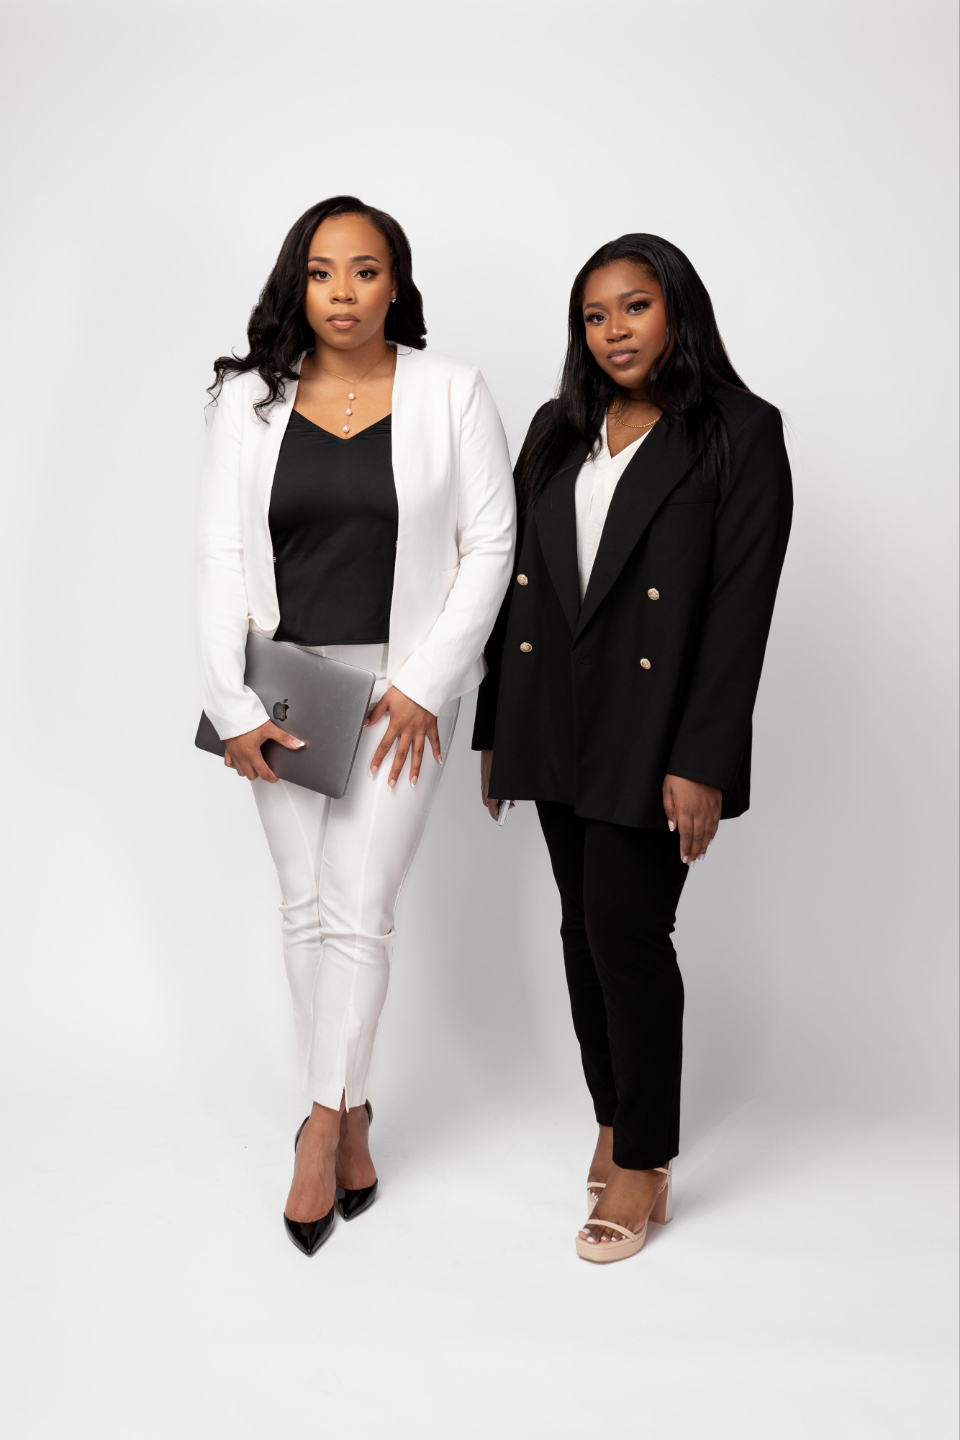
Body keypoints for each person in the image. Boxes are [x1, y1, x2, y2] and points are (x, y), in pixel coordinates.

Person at [198, 195, 515, 1255]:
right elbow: (220, 555)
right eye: (323, 271)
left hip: (397, 689)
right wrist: (232, 704)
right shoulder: (249, 400)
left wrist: (427, 683)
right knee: (303, 906)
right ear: (298, 282)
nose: (343, 292)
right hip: (284, 680)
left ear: (396, 284)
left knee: (359, 910)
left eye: (366, 270)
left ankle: (320, 1128)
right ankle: (351, 1110)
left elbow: (491, 543)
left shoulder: (452, 391)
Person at [473, 233, 792, 1263]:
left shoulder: (740, 430)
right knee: (582, 930)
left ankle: (645, 1156)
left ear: (677, 309)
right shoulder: (559, 429)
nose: (614, 330)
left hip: (654, 732)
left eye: (635, 306)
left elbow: (740, 612)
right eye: (595, 315)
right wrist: (497, 726)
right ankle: (614, 1117)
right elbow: (517, 587)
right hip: (553, 717)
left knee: (626, 929)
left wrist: (703, 760)